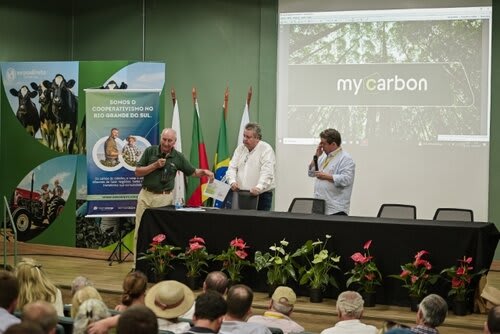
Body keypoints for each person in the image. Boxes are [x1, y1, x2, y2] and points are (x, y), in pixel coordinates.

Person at [133, 128, 214, 266]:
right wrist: (154, 165)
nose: (166, 143)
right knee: (140, 231)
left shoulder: (178, 157)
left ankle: (159, 266)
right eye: (164, 139)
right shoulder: (150, 151)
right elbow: (138, 172)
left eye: (170, 140)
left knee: (159, 234)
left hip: (164, 198)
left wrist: (205, 172)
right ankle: (136, 265)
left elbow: (193, 172)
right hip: (145, 196)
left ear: (174, 142)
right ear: (160, 138)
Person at [226, 122, 276, 211]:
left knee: (260, 224)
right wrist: (232, 181)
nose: (244, 139)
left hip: (261, 196)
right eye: (244, 136)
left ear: (257, 138)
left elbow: (267, 172)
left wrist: (259, 187)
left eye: (248, 137)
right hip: (240, 194)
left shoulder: (266, 149)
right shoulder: (240, 149)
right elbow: (232, 167)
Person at [308, 128, 355, 215]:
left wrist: (326, 176)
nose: (321, 146)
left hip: (335, 209)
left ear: (333, 144)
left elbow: (347, 179)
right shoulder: (323, 157)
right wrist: (316, 156)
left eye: (323, 143)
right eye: (320, 143)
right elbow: (311, 173)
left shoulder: (345, 159)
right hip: (319, 206)